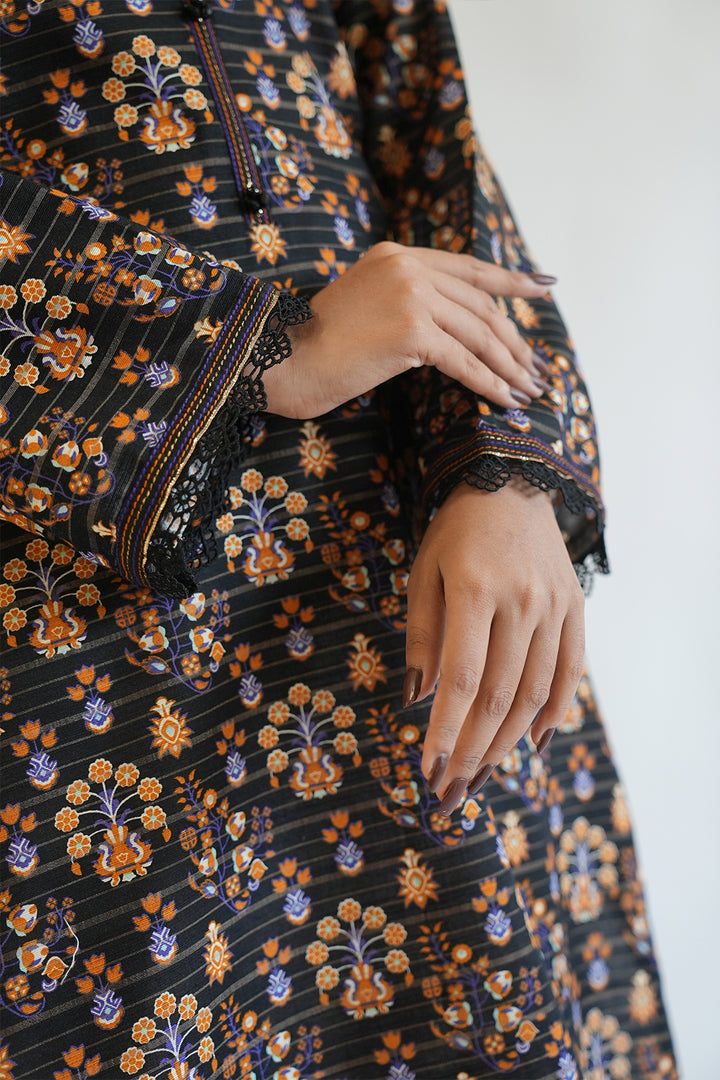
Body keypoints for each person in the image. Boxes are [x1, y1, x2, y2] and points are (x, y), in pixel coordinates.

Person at [0, 2, 677, 1077]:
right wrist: (252, 348)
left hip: (407, 572)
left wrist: (502, 467)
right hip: (85, 614)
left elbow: (432, 139)